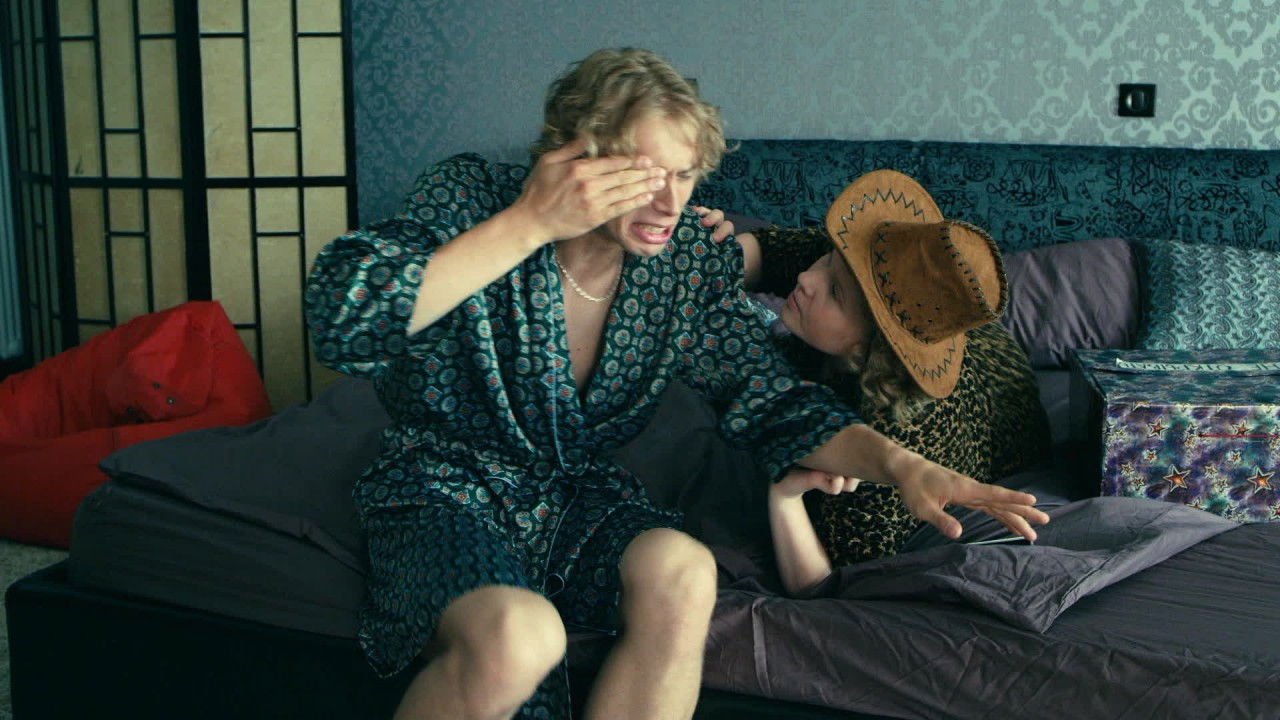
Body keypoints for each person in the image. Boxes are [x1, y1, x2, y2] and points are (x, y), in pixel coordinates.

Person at [305, 48, 1048, 720]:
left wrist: (902, 465)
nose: (670, 204)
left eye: (686, 175)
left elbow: (771, 398)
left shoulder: (683, 259)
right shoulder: (472, 196)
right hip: (446, 487)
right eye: (643, 175)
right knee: (519, 637)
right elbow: (343, 321)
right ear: (573, 157)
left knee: (686, 570)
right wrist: (531, 221)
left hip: (575, 497)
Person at [708, 170, 1051, 595]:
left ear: (875, 348)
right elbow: (773, 250)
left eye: (835, 293)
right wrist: (702, 254)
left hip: (1001, 409)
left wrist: (784, 498)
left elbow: (826, 584)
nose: (807, 279)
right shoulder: (860, 267)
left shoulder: (898, 426)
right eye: (826, 260)